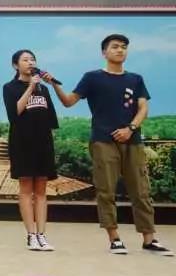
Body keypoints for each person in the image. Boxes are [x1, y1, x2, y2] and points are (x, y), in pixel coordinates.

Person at [48, 34, 173, 256]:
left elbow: (143, 108)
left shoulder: (135, 79)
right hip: (103, 141)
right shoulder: (92, 78)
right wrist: (54, 85)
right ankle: (114, 239)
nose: (120, 50)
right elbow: (68, 102)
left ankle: (149, 239)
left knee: (141, 191)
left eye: (124, 47)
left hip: (132, 141)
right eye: (115, 47)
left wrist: (130, 129)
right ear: (104, 52)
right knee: (106, 191)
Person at [3, 49, 58, 251]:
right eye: (25, 60)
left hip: (43, 143)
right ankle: (31, 235)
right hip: (22, 143)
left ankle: (42, 235)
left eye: (33, 59)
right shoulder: (9, 88)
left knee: (41, 191)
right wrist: (31, 87)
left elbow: (51, 119)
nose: (30, 62)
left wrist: (44, 85)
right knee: (26, 189)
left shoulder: (44, 89)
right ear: (15, 65)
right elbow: (14, 113)